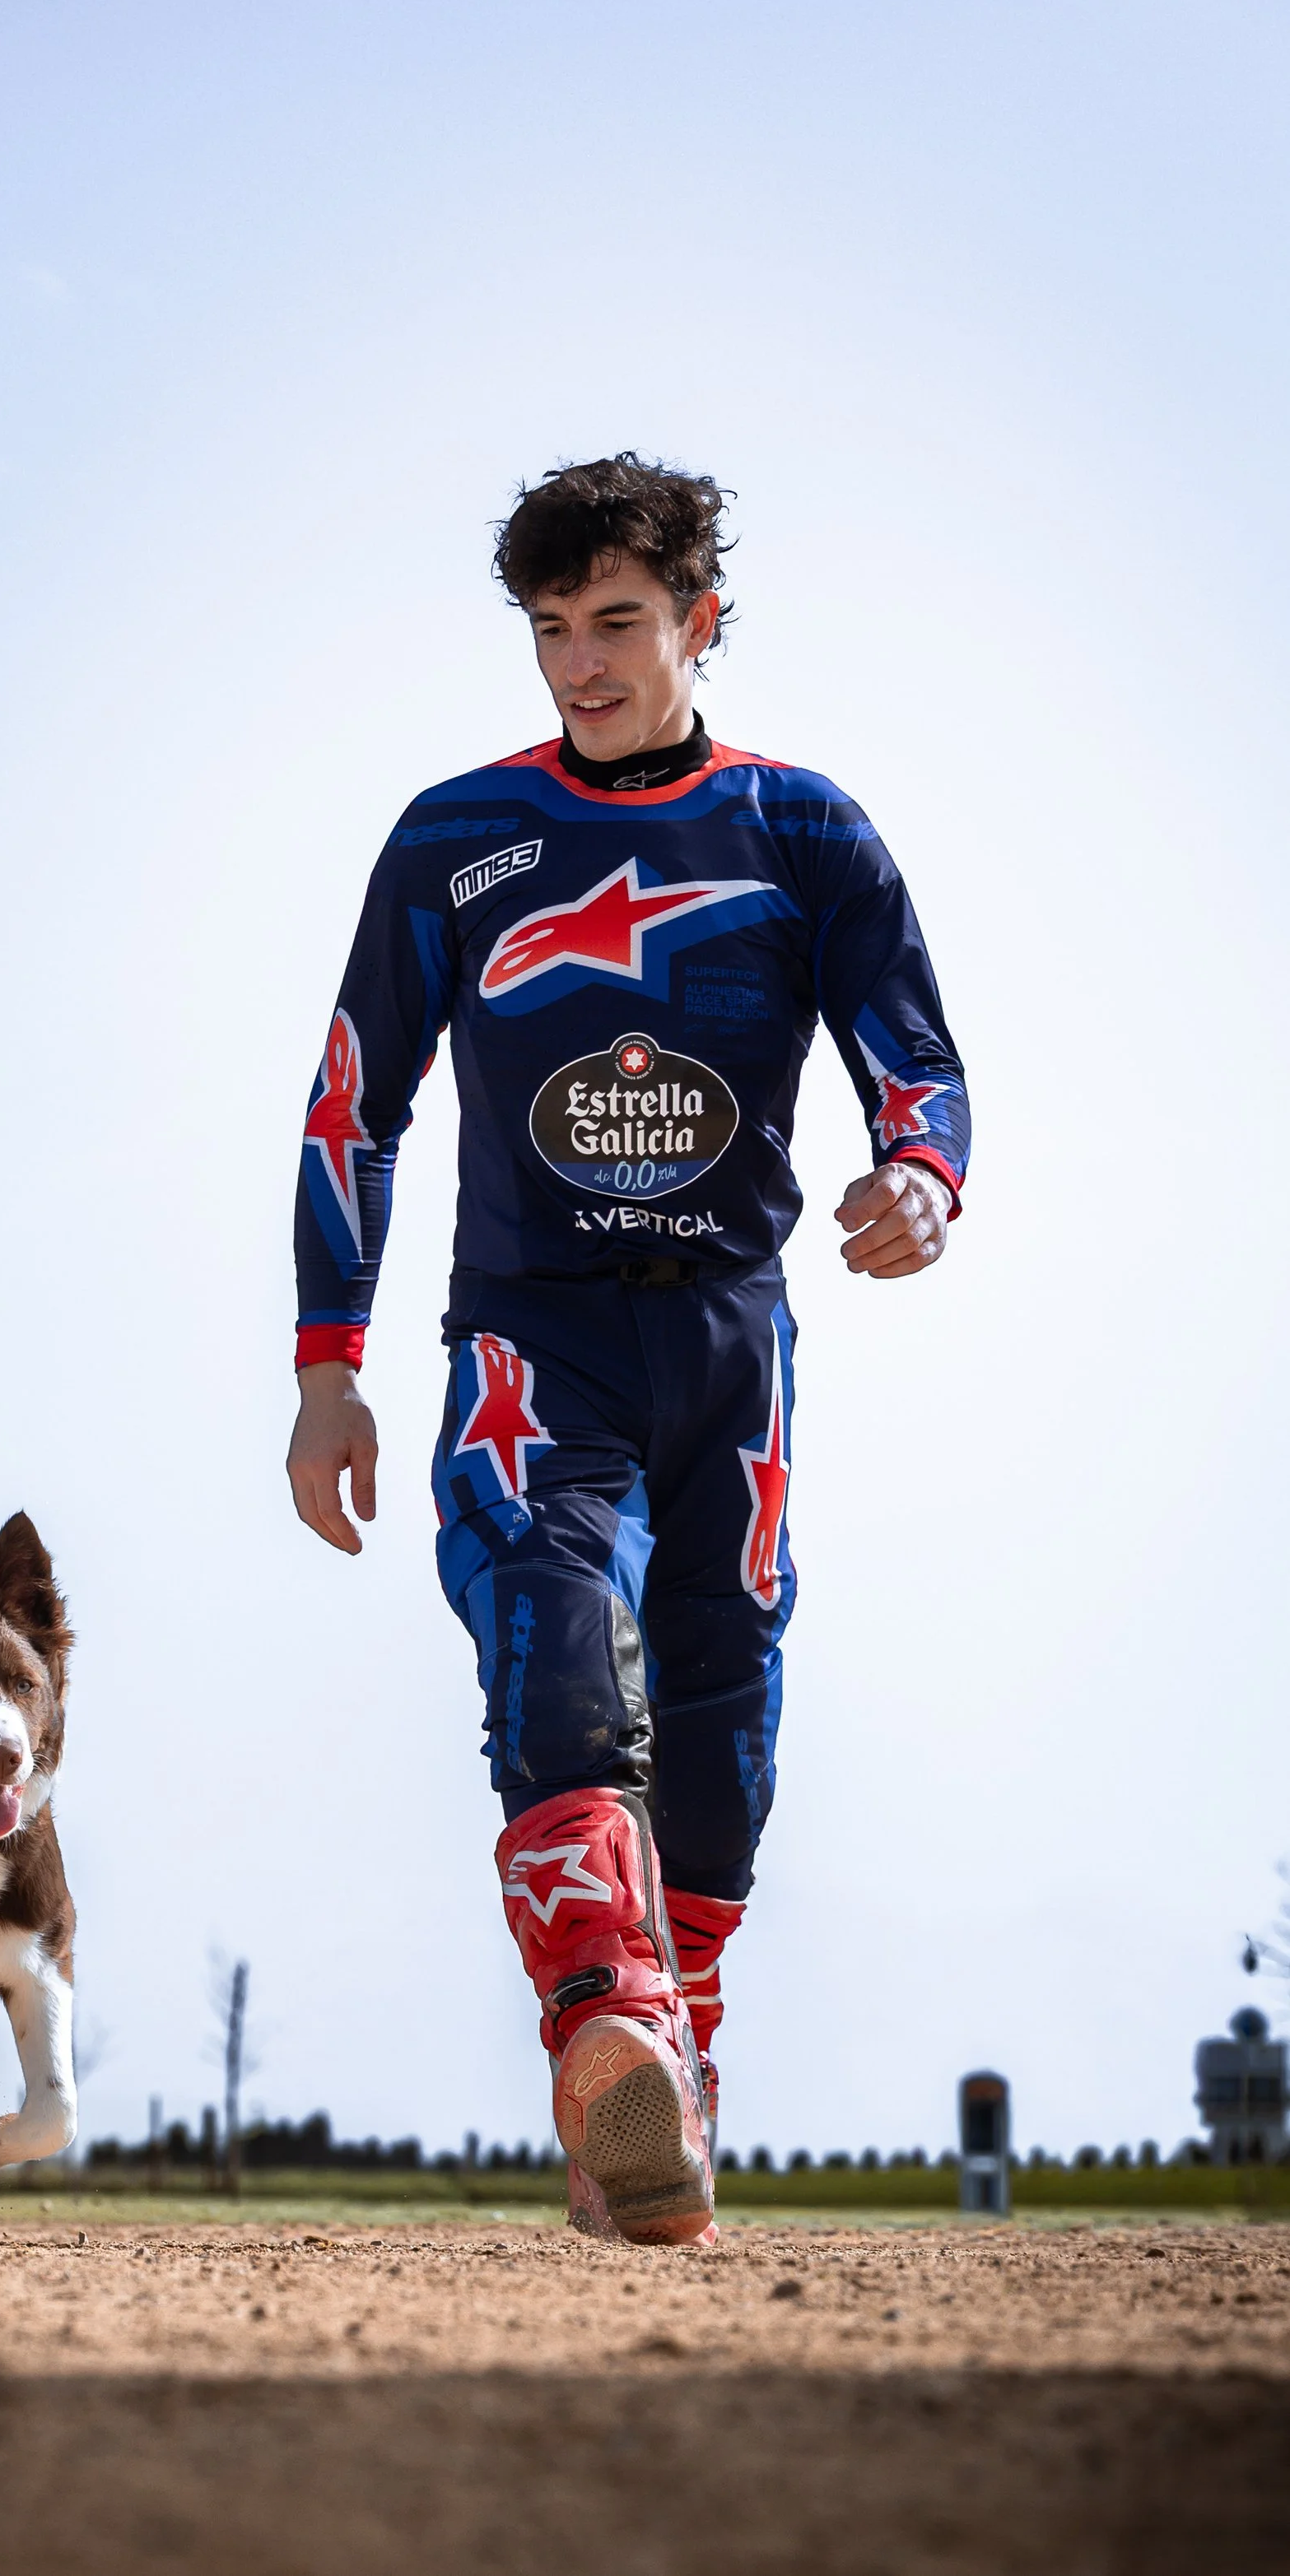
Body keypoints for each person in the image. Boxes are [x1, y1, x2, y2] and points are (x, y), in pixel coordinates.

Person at [285, 454, 967, 2247]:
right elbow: (352, 1107)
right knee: (558, 1651)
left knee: (724, 1735)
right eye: (545, 631)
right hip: (533, 1344)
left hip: (733, 1353)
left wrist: (919, 1176)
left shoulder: (802, 831)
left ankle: (664, 2099)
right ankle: (605, 2021)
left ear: (698, 623)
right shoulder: (451, 838)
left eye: (614, 624)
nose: (577, 667)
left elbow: (918, 1062)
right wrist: (325, 1368)